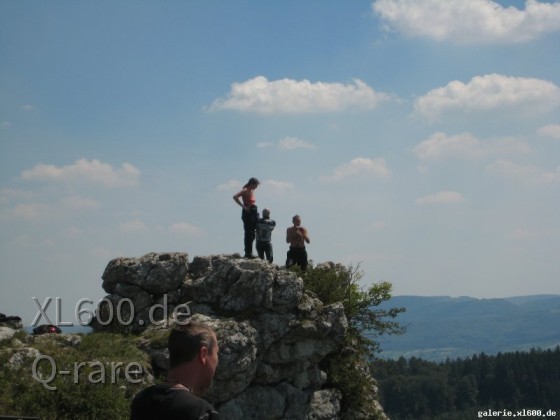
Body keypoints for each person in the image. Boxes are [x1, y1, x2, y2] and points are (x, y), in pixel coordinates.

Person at [130, 322, 220, 420]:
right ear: (203, 354)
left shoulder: (141, 400)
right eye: (216, 353)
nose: (217, 361)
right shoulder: (202, 412)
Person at [233, 177, 260, 258]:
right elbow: (235, 196)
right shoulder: (245, 190)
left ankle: (250, 251)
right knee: (248, 233)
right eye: (256, 185)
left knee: (252, 233)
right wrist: (243, 206)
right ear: (252, 184)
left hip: (253, 211)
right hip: (247, 212)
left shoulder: (251, 191)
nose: (256, 187)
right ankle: (248, 252)